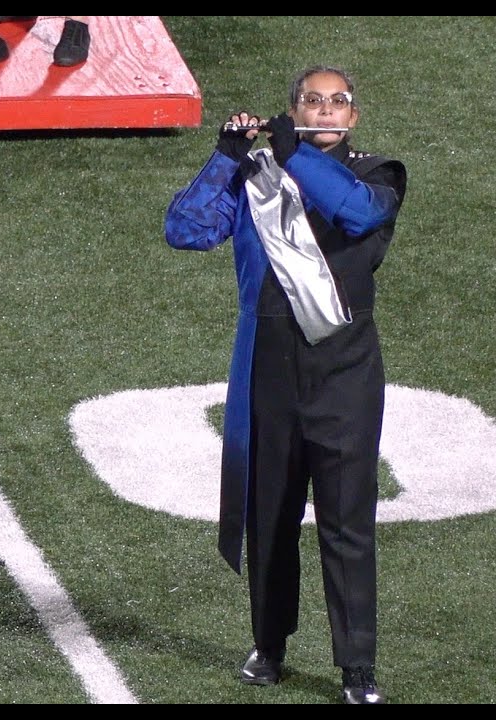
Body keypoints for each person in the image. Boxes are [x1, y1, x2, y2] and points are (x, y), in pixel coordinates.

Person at [164, 66, 406, 704]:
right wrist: (225, 158)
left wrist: (293, 155)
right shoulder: (256, 176)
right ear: (292, 106)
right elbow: (185, 231)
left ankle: (357, 667)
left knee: (345, 521)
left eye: (337, 103)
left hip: (345, 372)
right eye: (310, 102)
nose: (324, 111)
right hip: (267, 368)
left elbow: (355, 216)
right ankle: (269, 644)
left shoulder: (379, 174)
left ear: (352, 117)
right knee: (267, 517)